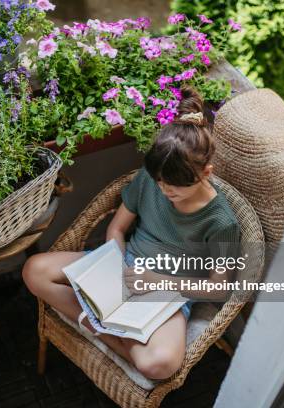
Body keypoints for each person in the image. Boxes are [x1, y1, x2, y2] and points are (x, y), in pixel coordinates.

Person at [22, 86, 240, 380]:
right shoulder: (153, 178)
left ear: (206, 173)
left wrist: (154, 281)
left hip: (169, 294)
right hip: (124, 268)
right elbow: (117, 227)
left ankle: (99, 328)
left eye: (175, 185)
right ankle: (111, 328)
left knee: (159, 365)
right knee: (34, 270)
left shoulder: (222, 223)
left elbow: (219, 288)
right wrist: (118, 263)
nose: (165, 190)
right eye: (160, 181)